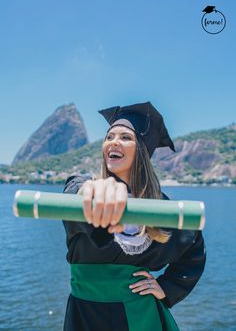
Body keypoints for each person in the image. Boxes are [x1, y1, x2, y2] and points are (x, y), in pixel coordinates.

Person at [63, 101, 206, 331]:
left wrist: (166, 287)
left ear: (141, 149)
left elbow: (193, 249)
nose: (114, 141)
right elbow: (75, 187)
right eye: (109, 137)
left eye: (125, 137)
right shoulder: (87, 189)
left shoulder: (159, 206)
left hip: (139, 316)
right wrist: (92, 191)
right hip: (84, 315)